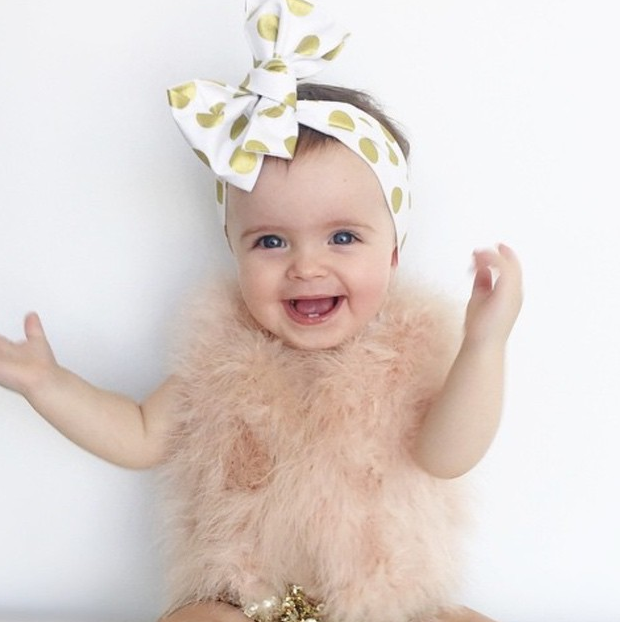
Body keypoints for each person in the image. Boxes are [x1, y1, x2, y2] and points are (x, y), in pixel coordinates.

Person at [0, 1, 522, 621]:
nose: (306, 266)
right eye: (271, 241)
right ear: (235, 250)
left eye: (343, 237)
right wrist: (48, 384)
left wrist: (483, 345)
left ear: (392, 253)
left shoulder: (410, 352)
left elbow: (448, 454)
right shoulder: (221, 360)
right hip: (249, 604)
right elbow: (138, 434)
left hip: (386, 607)